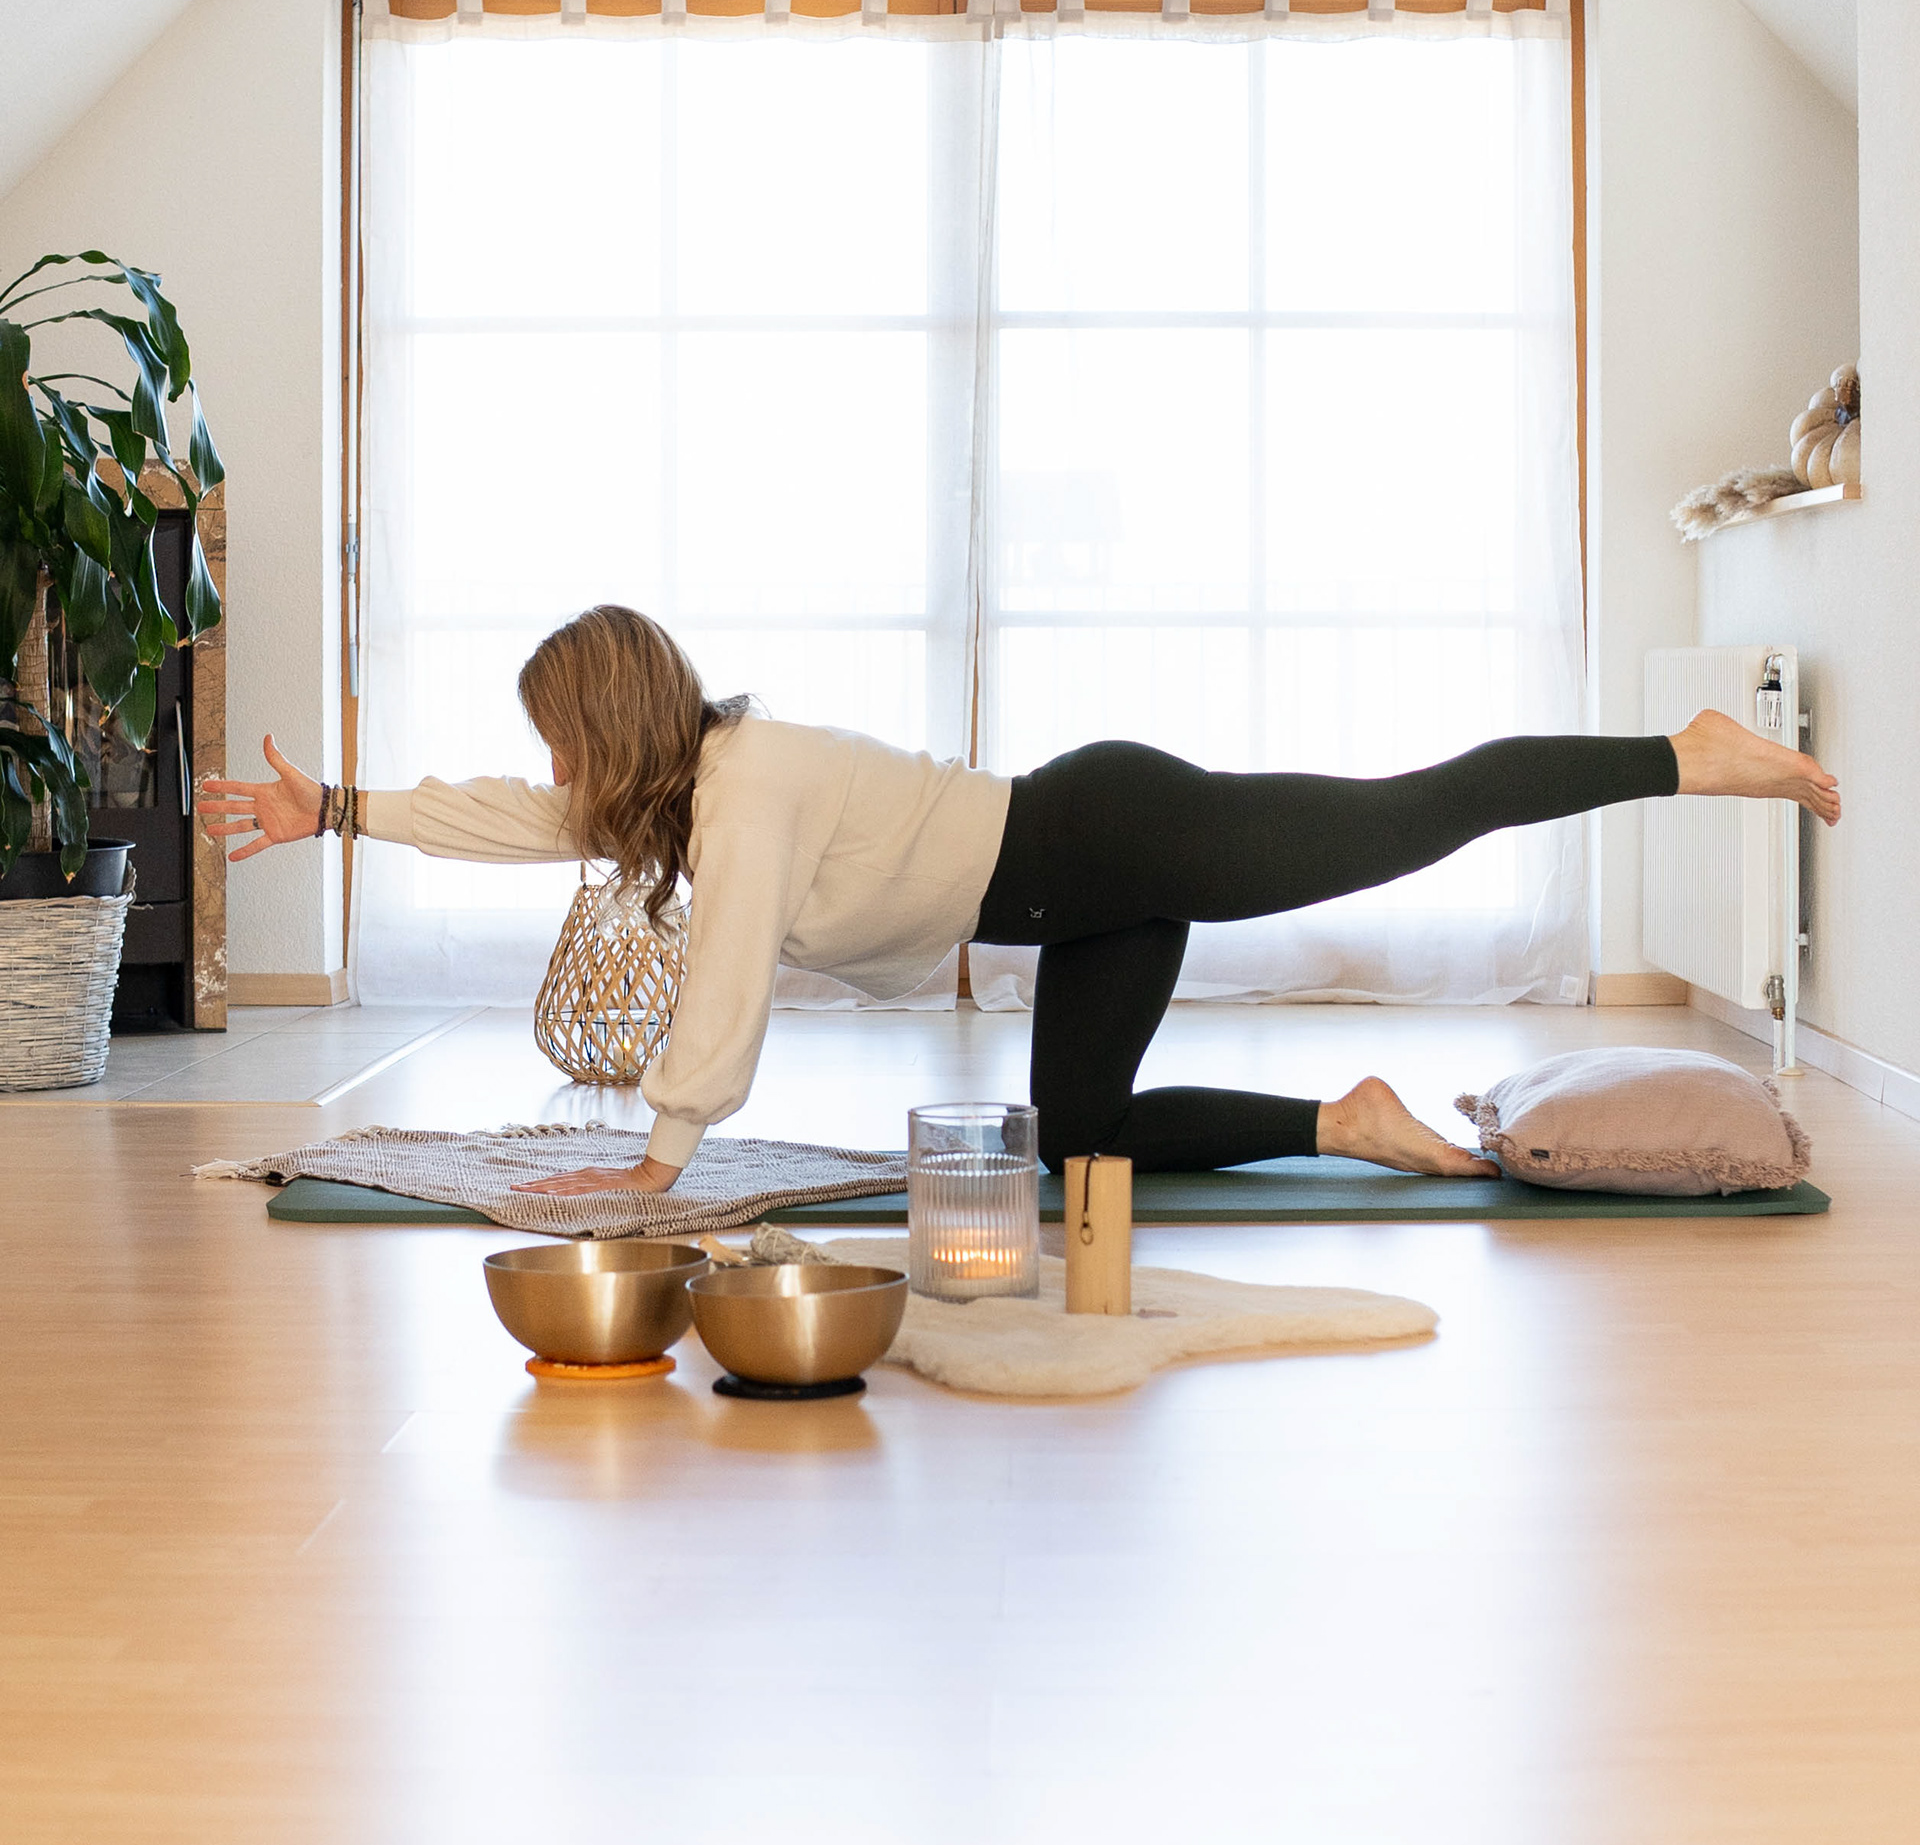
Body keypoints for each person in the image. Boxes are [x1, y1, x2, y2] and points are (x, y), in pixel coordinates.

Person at [199, 604, 1841, 1199]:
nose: (554, 760)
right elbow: (521, 815)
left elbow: (729, 988)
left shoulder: (744, 790)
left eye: (565, 728)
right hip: (1065, 891)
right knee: (1081, 1133)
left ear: (615, 717)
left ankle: (1679, 752)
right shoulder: (683, 785)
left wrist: (665, 1149)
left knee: (1411, 816)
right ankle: (1346, 1120)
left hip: (1105, 831)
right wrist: (335, 808)